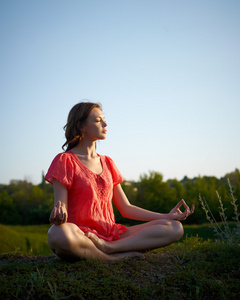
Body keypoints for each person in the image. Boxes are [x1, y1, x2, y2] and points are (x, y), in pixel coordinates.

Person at [45, 102, 195, 261]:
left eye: (104, 119)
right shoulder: (65, 160)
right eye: (98, 120)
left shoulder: (108, 163)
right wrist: (58, 217)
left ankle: (109, 248)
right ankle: (112, 260)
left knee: (174, 228)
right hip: (83, 236)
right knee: (57, 233)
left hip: (112, 235)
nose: (105, 123)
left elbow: (126, 208)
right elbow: (60, 207)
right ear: (81, 126)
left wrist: (166, 216)